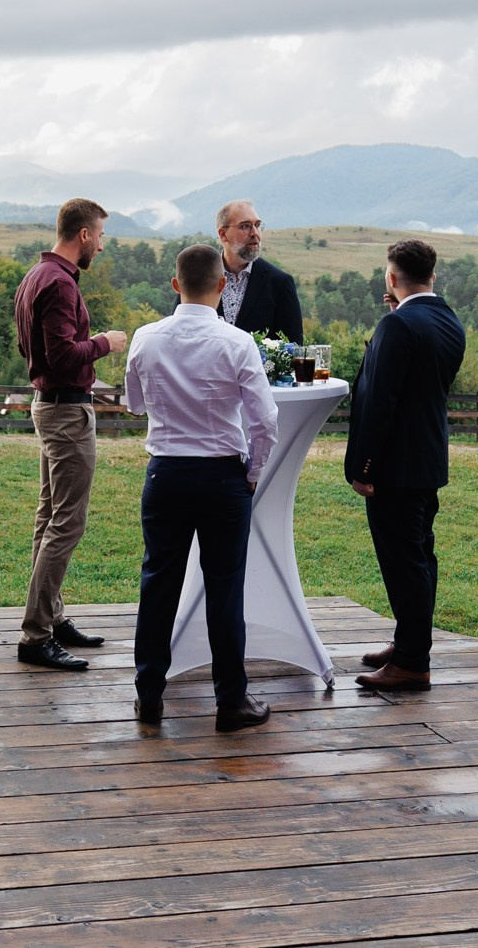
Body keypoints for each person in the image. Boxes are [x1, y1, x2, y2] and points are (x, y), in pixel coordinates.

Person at [126, 243, 279, 732]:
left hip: (166, 473)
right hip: (221, 479)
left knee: (158, 584)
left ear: (175, 285)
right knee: (224, 588)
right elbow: (266, 422)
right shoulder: (237, 343)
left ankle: (149, 695)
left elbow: (133, 404)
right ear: (222, 285)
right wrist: (252, 474)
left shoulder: (145, 339)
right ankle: (231, 701)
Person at [345, 239, 466, 692]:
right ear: (432, 275)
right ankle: (408, 641)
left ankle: (413, 663)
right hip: (427, 458)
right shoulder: (448, 319)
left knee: (404, 563)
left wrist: (364, 467)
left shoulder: (396, 326)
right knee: (420, 557)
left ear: (391, 278)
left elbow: (380, 403)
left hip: (394, 467)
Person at [11, 197, 128, 670]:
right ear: (83, 235)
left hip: (50, 408)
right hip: (66, 414)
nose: (101, 244)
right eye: (99, 236)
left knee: (49, 518)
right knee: (66, 523)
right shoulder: (59, 283)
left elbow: (29, 346)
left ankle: (52, 619)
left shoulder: (35, 276)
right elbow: (60, 357)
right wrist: (106, 343)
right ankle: (36, 635)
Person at [204, 200, 304, 342]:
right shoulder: (200, 277)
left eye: (257, 225)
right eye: (245, 226)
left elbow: (294, 347)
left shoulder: (279, 283)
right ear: (223, 234)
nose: (254, 233)